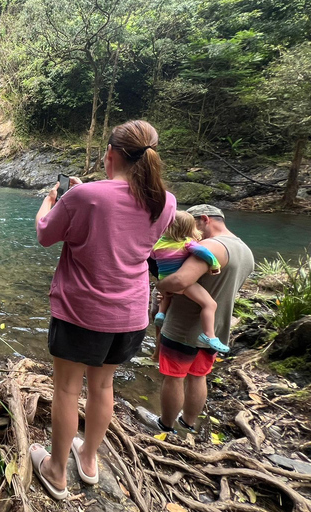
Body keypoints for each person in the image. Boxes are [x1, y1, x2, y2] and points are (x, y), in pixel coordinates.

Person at [31, 120, 176, 500]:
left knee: (65, 389)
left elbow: (46, 234)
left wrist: (52, 202)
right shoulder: (166, 200)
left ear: (109, 154)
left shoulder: (84, 197)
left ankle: (56, 470)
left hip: (81, 312)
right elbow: (120, 222)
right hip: (129, 315)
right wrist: (84, 196)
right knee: (103, 386)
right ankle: (89, 460)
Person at [154, 205, 254, 434]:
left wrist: (161, 286)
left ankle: (165, 426)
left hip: (183, 326)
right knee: (198, 377)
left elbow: (179, 281)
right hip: (215, 329)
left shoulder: (208, 246)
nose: (189, 233)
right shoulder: (245, 250)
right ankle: (188, 424)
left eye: (192, 225)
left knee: (173, 377)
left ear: (205, 220)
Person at [151, 210, 228, 353]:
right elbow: (205, 253)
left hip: (163, 278)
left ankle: (161, 314)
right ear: (188, 229)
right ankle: (209, 335)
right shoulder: (187, 243)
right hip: (180, 280)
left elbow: (153, 256)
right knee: (210, 304)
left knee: (166, 295)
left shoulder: (158, 244)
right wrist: (215, 265)